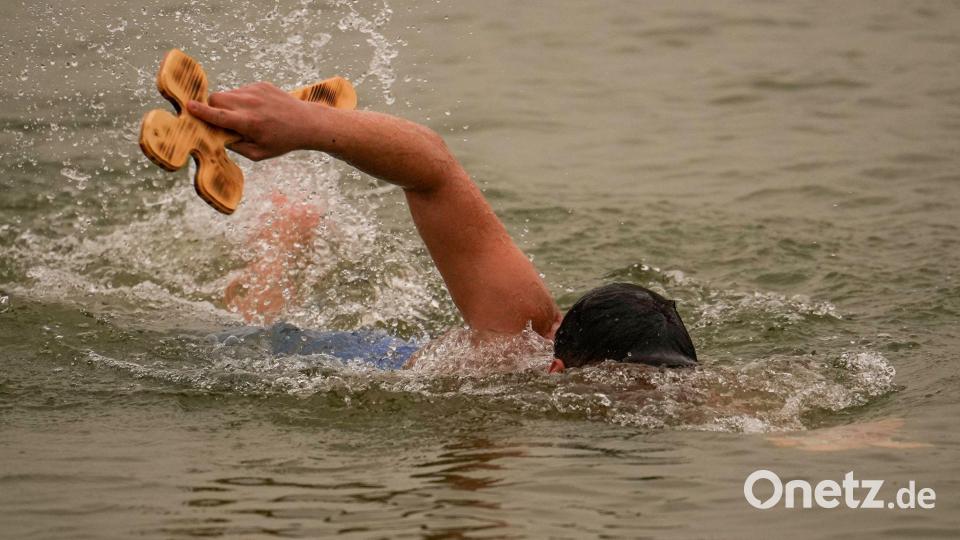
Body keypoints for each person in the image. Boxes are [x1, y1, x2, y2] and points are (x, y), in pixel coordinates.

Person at [187, 82, 698, 372]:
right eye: (628, 389)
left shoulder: (681, 380)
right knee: (245, 339)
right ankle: (280, 239)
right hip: (365, 362)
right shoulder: (516, 332)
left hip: (431, 351)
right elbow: (433, 169)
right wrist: (310, 125)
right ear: (557, 365)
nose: (650, 404)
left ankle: (288, 228)